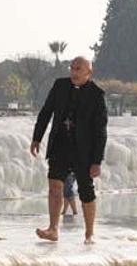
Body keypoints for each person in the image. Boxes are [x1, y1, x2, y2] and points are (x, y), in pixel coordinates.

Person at [31, 56, 108, 244]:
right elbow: (46, 112)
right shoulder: (60, 85)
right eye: (72, 68)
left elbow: (101, 130)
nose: (73, 72)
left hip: (83, 150)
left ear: (88, 73)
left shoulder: (97, 94)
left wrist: (97, 161)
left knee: (86, 191)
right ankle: (53, 229)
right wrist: (37, 137)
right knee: (54, 187)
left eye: (78, 69)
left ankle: (89, 233)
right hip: (60, 145)